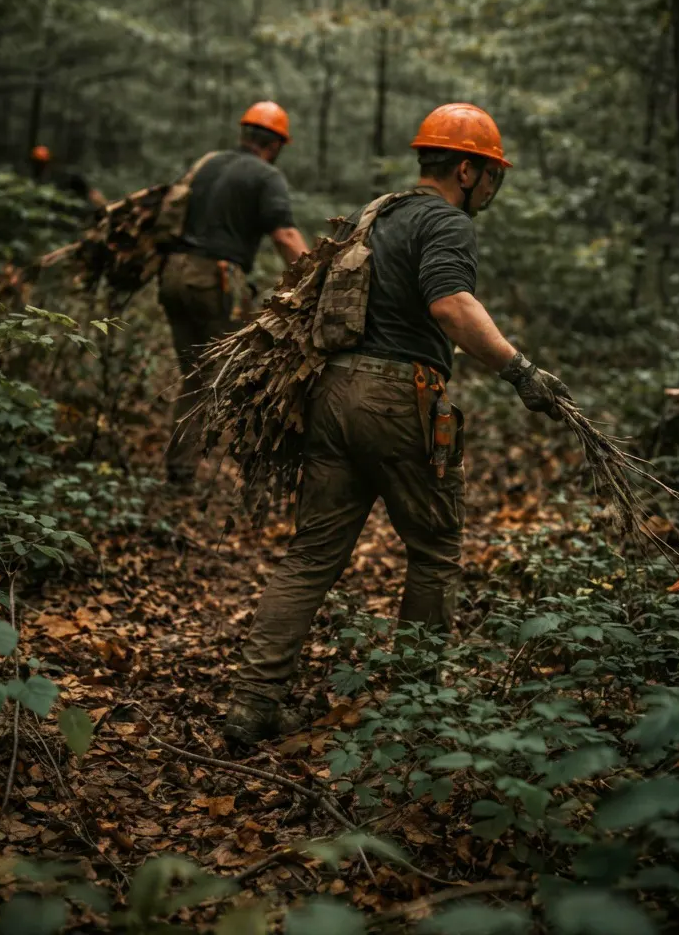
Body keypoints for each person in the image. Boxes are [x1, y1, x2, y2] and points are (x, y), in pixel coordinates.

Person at [222, 102, 571, 749]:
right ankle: (414, 713)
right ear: (466, 170)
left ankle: (251, 704)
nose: (492, 186)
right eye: (491, 173)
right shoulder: (447, 222)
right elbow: (452, 306)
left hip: (331, 393)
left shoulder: (376, 213)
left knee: (311, 556)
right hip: (398, 397)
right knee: (434, 550)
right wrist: (520, 371)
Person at [160, 101, 309, 488]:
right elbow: (285, 235)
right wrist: (318, 275)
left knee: (196, 375)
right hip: (214, 281)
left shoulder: (206, 163)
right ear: (275, 145)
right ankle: (251, 469)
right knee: (227, 376)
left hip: (172, 274)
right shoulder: (266, 175)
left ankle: (181, 470)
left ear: (244, 134)